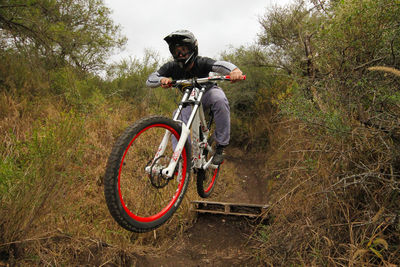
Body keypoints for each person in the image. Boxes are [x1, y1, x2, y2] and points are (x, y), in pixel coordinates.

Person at [146, 29, 244, 165]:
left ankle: (220, 146)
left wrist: (234, 70)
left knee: (220, 99)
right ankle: (182, 157)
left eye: (183, 50)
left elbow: (219, 65)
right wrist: (161, 79)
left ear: (192, 49)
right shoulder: (171, 66)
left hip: (208, 93)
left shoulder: (201, 62)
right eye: (176, 51)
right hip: (190, 100)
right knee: (178, 117)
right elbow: (151, 79)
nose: (180, 54)